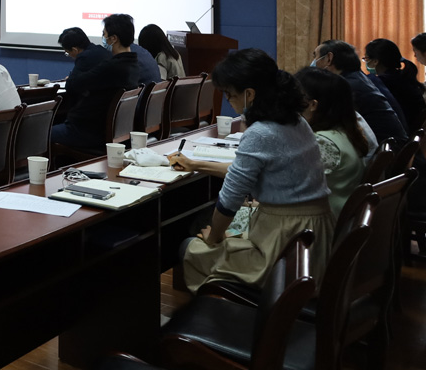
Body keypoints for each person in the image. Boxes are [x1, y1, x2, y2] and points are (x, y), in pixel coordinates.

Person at [170, 49, 332, 293]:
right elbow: (245, 174)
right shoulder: (297, 121)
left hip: (284, 245)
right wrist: (196, 165)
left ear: (249, 94)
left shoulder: (260, 133)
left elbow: (229, 199)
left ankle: (224, 312)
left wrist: (214, 238)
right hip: (312, 236)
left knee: (192, 247)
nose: (228, 101)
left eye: (229, 94)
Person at [51, 15, 139, 151]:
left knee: (40, 134)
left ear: (113, 39)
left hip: (87, 132)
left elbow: (74, 84)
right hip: (111, 130)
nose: (103, 38)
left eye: (104, 34)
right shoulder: (133, 65)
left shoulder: (111, 67)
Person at [295, 67, 370, 219]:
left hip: (321, 222)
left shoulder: (323, 143)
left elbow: (290, 185)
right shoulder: (343, 131)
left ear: (312, 104)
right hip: (337, 215)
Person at [312, 40, 407, 144]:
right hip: (392, 146)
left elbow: (324, 123)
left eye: (315, 56)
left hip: (385, 148)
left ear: (329, 58)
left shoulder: (347, 87)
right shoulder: (357, 78)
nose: (313, 62)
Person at [364, 38, 425, 132]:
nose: (365, 62)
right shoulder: (403, 77)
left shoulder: (380, 83)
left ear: (376, 61)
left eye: (366, 59)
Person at [57, 26, 111, 124]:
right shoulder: (102, 51)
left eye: (68, 53)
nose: (69, 56)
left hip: (91, 118)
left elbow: (70, 86)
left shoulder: (85, 57)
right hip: (105, 112)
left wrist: (71, 79)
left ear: (75, 50)